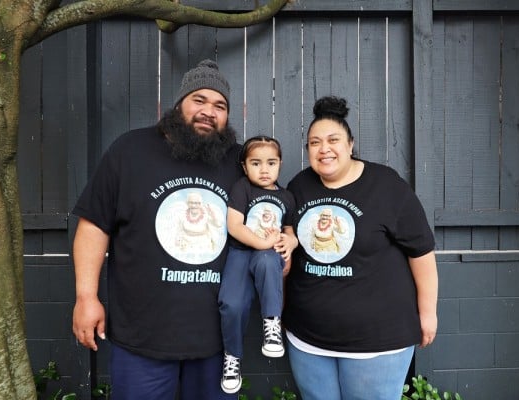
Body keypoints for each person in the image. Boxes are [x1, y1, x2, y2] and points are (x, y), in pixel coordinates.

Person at [72, 59, 246, 399]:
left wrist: (286, 237)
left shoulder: (240, 162)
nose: (209, 111)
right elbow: (94, 224)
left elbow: (271, 213)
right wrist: (86, 297)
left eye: (219, 105)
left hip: (216, 341)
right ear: (179, 103)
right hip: (141, 338)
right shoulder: (130, 150)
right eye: (199, 100)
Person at [283, 96, 439, 400]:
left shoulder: (386, 186)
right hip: (307, 339)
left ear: (350, 144)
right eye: (314, 142)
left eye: (333, 140)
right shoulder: (299, 187)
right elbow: (288, 251)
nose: (324, 148)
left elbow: (421, 253)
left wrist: (428, 313)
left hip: (377, 341)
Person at [218, 135, 297, 394]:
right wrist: (262, 243)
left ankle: (271, 325)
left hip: (268, 255)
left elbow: (289, 231)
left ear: (280, 164)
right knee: (232, 303)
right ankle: (233, 357)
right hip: (241, 252)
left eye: (271, 163)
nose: (264, 170)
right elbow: (234, 225)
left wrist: (291, 244)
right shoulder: (243, 188)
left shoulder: (286, 197)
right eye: (256, 163)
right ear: (244, 167)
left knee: (266, 261)